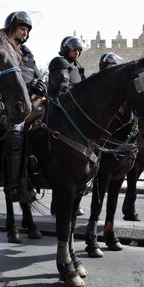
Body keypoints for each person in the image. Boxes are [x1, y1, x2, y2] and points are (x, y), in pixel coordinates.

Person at [1, 11, 46, 200]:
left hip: (31, 103)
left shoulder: (28, 54)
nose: (25, 32)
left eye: (27, 29)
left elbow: (38, 76)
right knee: (16, 132)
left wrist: (42, 86)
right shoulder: (2, 49)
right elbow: (2, 78)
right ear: (12, 28)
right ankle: (14, 185)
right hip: (9, 105)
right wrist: (28, 85)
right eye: (21, 28)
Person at [47, 36, 86, 215]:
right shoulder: (59, 62)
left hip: (75, 108)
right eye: (74, 50)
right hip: (58, 107)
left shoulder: (77, 66)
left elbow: (85, 84)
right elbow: (62, 86)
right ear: (65, 49)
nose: (76, 53)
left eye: (79, 50)